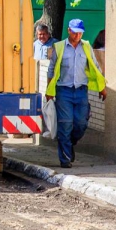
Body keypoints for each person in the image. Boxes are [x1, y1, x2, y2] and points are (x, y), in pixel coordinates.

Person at [46, 19, 107, 168]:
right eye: (75, 32)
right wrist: (49, 91)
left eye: (80, 33)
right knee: (65, 125)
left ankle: (70, 143)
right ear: (69, 31)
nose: (77, 35)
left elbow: (95, 67)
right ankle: (65, 159)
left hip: (81, 91)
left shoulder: (86, 47)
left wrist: (101, 87)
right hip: (63, 91)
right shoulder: (59, 47)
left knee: (80, 124)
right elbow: (51, 70)